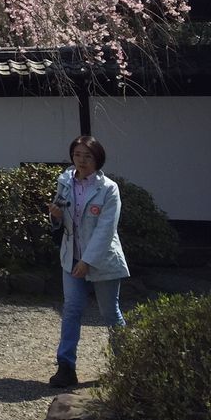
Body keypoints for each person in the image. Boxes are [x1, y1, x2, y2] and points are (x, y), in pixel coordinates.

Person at [46, 134, 129, 389]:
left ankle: (128, 365)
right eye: (77, 155)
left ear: (98, 159)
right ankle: (66, 367)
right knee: (71, 310)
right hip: (71, 256)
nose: (81, 161)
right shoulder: (65, 182)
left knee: (109, 312)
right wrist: (55, 217)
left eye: (87, 156)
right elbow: (61, 220)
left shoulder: (108, 189)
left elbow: (106, 230)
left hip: (102, 259)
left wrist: (87, 261)